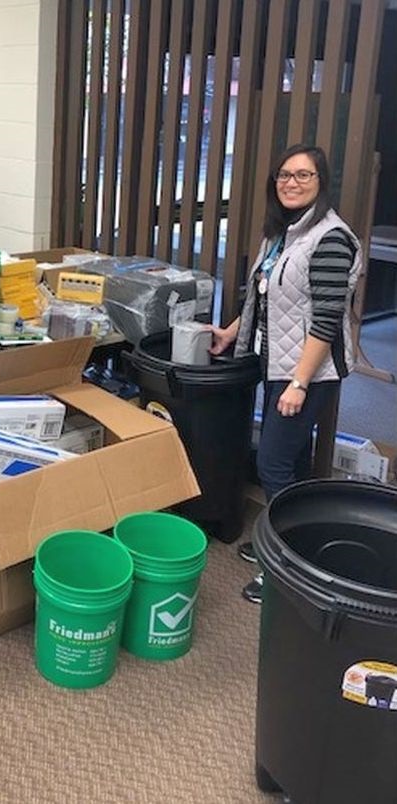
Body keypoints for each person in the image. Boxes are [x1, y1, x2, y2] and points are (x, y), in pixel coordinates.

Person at [208, 143, 361, 603]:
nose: (291, 183)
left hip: (309, 373)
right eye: (284, 175)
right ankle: (292, 545)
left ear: (321, 183)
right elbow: (262, 295)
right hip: (275, 361)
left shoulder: (329, 237)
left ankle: (286, 568)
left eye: (303, 175)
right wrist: (232, 333)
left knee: (273, 462)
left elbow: (326, 318)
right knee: (292, 461)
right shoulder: (284, 233)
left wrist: (298, 382)